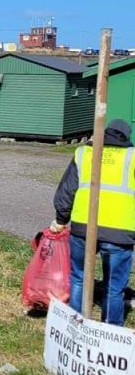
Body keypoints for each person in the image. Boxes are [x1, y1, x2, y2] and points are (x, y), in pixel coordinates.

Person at [52, 119, 135, 326]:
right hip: (120, 231)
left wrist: (61, 219)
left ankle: (75, 323)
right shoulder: (132, 157)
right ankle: (109, 330)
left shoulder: (84, 153)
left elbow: (67, 190)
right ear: (126, 137)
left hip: (82, 227)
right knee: (114, 286)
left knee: (79, 277)